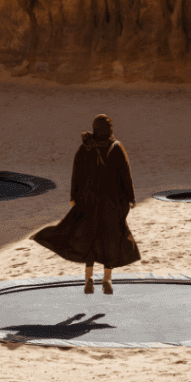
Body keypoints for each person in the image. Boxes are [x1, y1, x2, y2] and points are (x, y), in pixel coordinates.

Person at [31, 114, 140, 294]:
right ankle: (107, 279)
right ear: (110, 129)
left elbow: (77, 174)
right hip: (111, 202)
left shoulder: (85, 147)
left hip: (88, 200)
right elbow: (125, 175)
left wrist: (74, 196)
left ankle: (88, 277)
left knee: (88, 236)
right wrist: (131, 198)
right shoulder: (116, 147)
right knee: (110, 238)